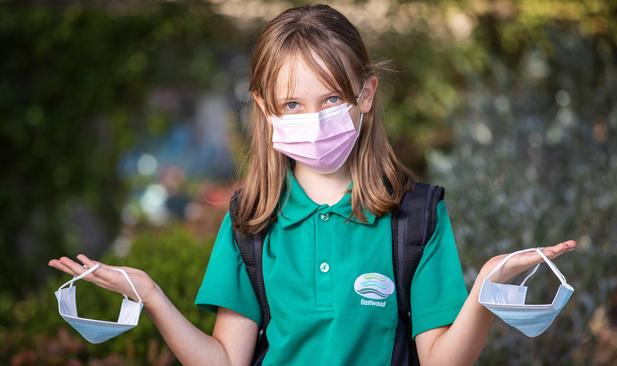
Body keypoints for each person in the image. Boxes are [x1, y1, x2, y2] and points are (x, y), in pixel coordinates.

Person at [48, 4, 576, 365]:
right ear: (265, 109)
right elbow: (226, 359)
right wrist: (152, 296)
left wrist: (485, 288)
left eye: (330, 100)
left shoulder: (416, 218)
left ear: (365, 95)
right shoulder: (249, 223)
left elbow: (441, 359)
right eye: (293, 105)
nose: (314, 118)